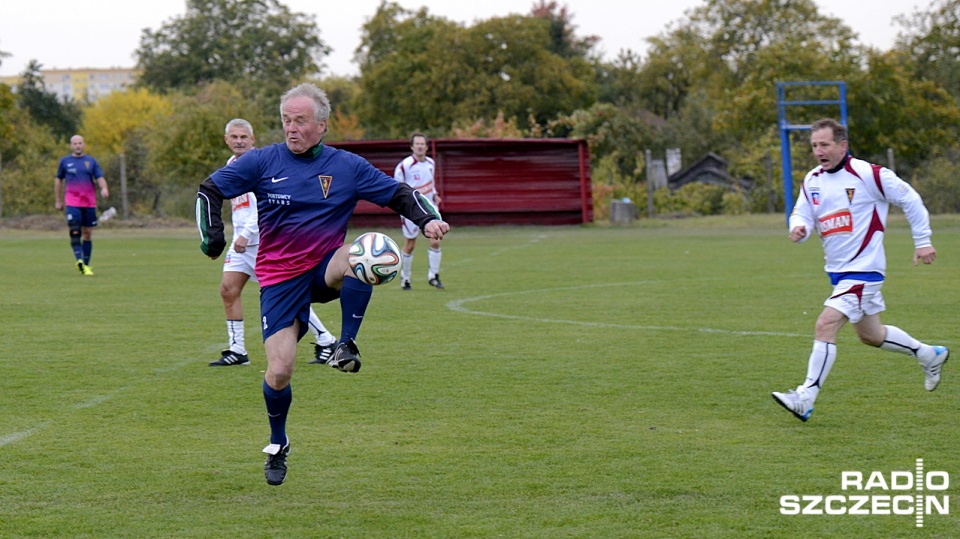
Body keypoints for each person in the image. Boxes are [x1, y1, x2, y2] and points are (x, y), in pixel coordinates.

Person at [196, 83, 449, 485]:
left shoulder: (346, 166)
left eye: (300, 121)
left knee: (365, 251)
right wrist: (212, 235)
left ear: (321, 124)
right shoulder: (262, 162)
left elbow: (398, 194)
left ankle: (345, 343)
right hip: (279, 281)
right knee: (279, 371)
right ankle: (278, 444)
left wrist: (428, 220)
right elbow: (209, 189)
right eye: (285, 121)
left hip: (323, 268)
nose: (291, 129)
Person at [772, 118, 949, 422]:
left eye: (824, 145)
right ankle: (928, 354)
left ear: (842, 145)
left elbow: (909, 198)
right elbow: (802, 211)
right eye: (815, 145)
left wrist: (923, 241)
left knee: (825, 324)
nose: (818, 151)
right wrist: (798, 226)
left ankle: (806, 397)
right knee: (871, 335)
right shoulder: (812, 180)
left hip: (864, 271)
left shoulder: (868, 174)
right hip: (839, 273)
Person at [209, 119, 339, 367]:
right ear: (226, 139)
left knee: (285, 296)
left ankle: (327, 340)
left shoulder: (262, 165)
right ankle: (238, 350)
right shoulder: (230, 166)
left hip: (262, 241)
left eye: (243, 137)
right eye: (234, 137)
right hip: (241, 243)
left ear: (252, 139)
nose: (239, 141)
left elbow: (268, 204)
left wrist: (247, 233)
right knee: (228, 290)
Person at [394, 132, 444, 290]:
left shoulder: (431, 163)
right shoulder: (404, 166)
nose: (420, 146)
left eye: (423, 144)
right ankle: (405, 278)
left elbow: (431, 182)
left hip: (429, 208)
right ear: (412, 146)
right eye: (417, 144)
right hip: (411, 210)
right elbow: (396, 188)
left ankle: (434, 276)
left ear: (427, 147)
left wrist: (434, 194)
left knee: (436, 239)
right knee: (410, 244)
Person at [55, 135, 109, 276]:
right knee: (74, 230)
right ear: (71, 145)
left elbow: (99, 177)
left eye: (80, 143)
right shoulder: (65, 162)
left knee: (87, 233)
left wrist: (104, 188)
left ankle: (85, 265)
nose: (77, 146)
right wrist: (58, 200)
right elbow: (58, 180)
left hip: (89, 203)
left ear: (83, 145)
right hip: (72, 202)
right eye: (75, 143)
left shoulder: (91, 162)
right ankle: (78, 260)